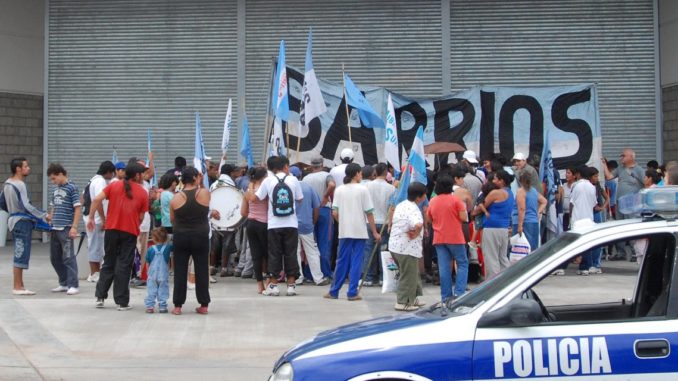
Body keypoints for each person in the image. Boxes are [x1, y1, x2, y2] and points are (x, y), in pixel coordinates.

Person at [89, 163, 149, 310]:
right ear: (137, 175)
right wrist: (135, 222)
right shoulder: (142, 192)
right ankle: (122, 302)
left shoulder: (114, 186)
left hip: (111, 229)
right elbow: (141, 216)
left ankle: (100, 297)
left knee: (108, 262)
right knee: (124, 265)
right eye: (142, 173)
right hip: (129, 231)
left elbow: (96, 200)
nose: (144, 176)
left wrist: (91, 217)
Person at [324, 163, 380, 301]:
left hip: (344, 230)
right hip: (359, 230)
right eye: (360, 173)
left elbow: (335, 213)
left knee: (341, 260)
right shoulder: (363, 190)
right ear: (356, 174)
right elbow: (369, 213)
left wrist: (343, 223)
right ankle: (352, 292)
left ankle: (334, 291)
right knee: (356, 261)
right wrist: (374, 232)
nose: (361, 175)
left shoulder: (339, 190)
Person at [253, 156, 304, 296]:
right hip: (291, 223)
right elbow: (300, 199)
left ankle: (274, 286)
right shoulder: (293, 180)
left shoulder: (268, 181)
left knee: (274, 254)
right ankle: (291, 286)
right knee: (291, 253)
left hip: (274, 224)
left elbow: (257, 197)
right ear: (286, 166)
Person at [170, 167, 213, 314]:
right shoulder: (204, 193)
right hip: (200, 235)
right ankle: (204, 305)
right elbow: (207, 199)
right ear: (195, 177)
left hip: (181, 236)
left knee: (180, 270)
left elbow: (172, 219)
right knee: (202, 269)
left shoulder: (175, 198)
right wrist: (200, 182)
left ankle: (177, 306)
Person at [4, 157, 49, 295]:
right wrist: (43, 215)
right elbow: (26, 205)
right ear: (18, 169)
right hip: (21, 221)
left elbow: (2, 202)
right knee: (21, 253)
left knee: (19, 251)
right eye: (26, 166)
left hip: (12, 220)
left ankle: (20, 285)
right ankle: (17, 287)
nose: (28, 168)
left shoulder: (7, 183)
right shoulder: (20, 184)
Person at [427, 175, 469, 303]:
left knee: (444, 267)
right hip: (455, 237)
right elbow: (464, 218)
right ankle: (459, 293)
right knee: (462, 264)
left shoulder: (433, 201)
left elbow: (429, 219)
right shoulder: (456, 201)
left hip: (439, 237)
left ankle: (445, 297)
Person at [389, 182, 427, 311]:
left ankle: (412, 298)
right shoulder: (414, 209)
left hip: (395, 245)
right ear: (418, 197)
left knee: (413, 273)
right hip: (406, 248)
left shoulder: (402, 204)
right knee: (408, 274)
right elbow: (418, 224)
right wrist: (416, 233)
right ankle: (403, 301)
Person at [290, 166, 329, 286]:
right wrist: (313, 222)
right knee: (312, 252)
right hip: (307, 225)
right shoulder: (308, 188)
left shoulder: (288, 187)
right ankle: (318, 278)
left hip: (291, 224)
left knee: (294, 252)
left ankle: (298, 277)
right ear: (300, 175)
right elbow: (316, 207)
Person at [47, 163, 81, 296]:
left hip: (66, 228)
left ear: (61, 174)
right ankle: (64, 282)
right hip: (55, 228)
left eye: (54, 178)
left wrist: (74, 227)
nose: (53, 181)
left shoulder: (72, 188)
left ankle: (73, 284)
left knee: (68, 256)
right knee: (54, 257)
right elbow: (53, 207)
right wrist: (50, 216)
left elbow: (77, 208)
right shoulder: (55, 190)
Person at [302, 157, 336, 279]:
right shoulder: (327, 175)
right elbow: (332, 184)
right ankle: (325, 273)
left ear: (311, 166)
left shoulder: (305, 178)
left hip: (309, 211)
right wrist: (326, 196)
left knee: (310, 243)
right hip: (324, 210)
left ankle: (309, 273)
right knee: (324, 242)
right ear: (322, 164)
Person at [363, 163, 396, 287]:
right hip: (385, 222)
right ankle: (383, 277)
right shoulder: (391, 188)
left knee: (368, 249)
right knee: (384, 250)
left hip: (369, 221)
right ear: (386, 172)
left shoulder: (367, 186)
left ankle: (369, 277)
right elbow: (392, 207)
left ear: (375, 172)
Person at [84, 161, 116, 283]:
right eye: (112, 173)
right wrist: (104, 219)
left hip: (92, 218)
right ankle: (94, 273)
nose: (112, 176)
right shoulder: (100, 182)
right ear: (108, 172)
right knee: (95, 247)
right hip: (96, 220)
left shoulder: (92, 180)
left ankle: (95, 272)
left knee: (96, 246)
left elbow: (83, 198)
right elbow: (97, 201)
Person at [482, 170, 515, 279]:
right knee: (502, 257)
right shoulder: (510, 193)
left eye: (495, 178)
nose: (493, 180)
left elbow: (481, 207)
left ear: (501, 181)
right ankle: (507, 281)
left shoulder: (495, 193)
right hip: (503, 228)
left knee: (491, 258)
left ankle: (492, 284)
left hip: (492, 227)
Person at [210, 163, 240, 278]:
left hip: (215, 218)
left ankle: (212, 267)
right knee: (226, 245)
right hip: (228, 219)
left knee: (214, 245)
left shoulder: (214, 184)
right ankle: (224, 268)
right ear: (231, 173)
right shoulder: (231, 185)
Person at [242, 167, 269, 294]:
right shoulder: (265, 189)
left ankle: (260, 285)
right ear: (264, 177)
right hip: (264, 224)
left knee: (256, 255)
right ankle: (269, 282)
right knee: (268, 254)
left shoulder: (248, 190)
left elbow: (243, 212)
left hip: (251, 223)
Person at [569, 166, 597, 275]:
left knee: (572, 244)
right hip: (589, 218)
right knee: (587, 244)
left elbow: (572, 203)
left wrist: (571, 216)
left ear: (579, 174)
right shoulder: (592, 187)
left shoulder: (576, 186)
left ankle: (562, 266)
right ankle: (586, 266)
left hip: (577, 218)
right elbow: (594, 204)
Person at [512, 172, 547, 251]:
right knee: (532, 247)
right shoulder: (534, 191)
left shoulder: (521, 191)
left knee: (520, 248)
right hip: (533, 221)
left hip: (524, 222)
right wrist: (538, 212)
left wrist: (520, 226)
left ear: (520, 181)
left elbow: (522, 209)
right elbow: (544, 201)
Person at [144, 227, 172, 313]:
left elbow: (147, 262)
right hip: (163, 274)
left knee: (151, 290)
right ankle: (162, 307)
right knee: (163, 290)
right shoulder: (167, 248)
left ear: (154, 238)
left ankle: (150, 307)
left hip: (152, 274)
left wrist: (147, 272)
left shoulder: (150, 249)